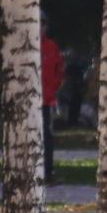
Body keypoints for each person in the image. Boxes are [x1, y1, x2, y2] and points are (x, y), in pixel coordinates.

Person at [40, 33, 63, 182]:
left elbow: (59, 70)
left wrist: (52, 89)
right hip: (29, 100)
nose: (41, 27)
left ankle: (48, 172)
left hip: (46, 100)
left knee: (47, 136)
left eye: (44, 24)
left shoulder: (51, 46)